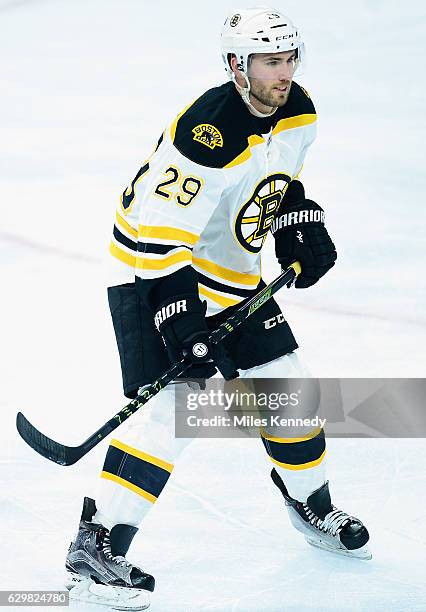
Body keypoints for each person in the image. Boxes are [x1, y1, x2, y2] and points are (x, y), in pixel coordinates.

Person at [65, 7, 370, 610]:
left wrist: (299, 223)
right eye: (269, 62)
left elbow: (275, 184)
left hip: (229, 271)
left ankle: (312, 504)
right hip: (148, 269)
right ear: (238, 65)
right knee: (180, 405)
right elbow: (159, 236)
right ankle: (98, 541)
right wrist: (181, 322)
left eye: (289, 59)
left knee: (289, 390)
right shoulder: (203, 133)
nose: (284, 74)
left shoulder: (299, 112)